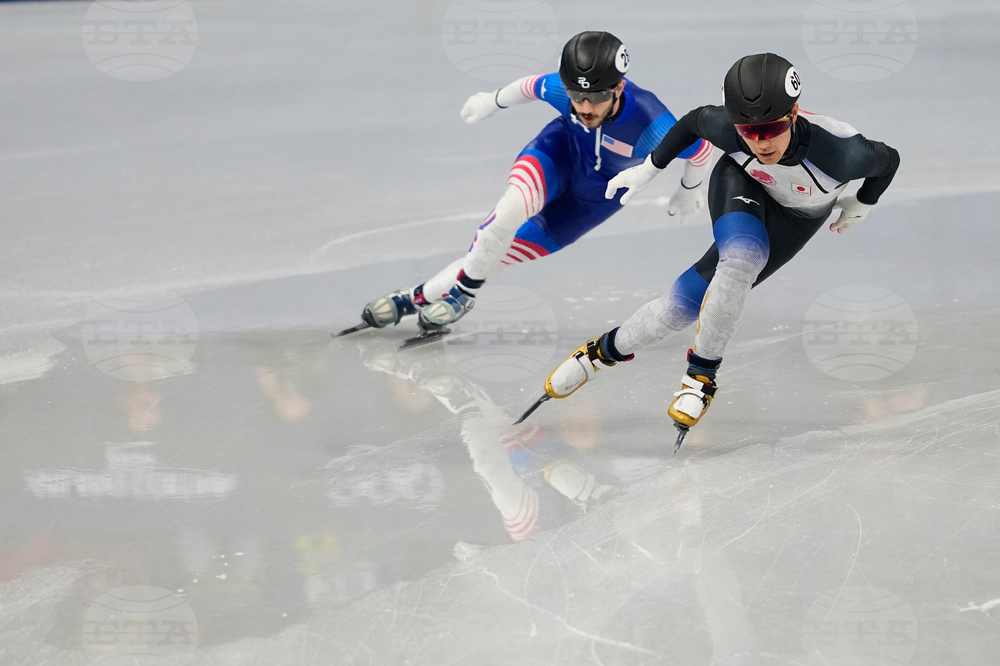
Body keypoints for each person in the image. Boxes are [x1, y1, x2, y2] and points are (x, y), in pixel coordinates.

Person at [536, 53, 900, 444]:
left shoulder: (843, 152)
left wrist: (864, 201)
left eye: (771, 128)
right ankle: (700, 377)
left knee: (678, 309)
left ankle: (598, 353)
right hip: (742, 183)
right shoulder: (730, 131)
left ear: (794, 113)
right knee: (741, 262)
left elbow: (889, 161)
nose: (760, 142)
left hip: (796, 219)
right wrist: (648, 170)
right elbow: (694, 121)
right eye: (747, 130)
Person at [351, 31, 714, 339]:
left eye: (597, 97)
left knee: (494, 259)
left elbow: (700, 150)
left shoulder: (651, 121)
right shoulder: (562, 89)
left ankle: (413, 298)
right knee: (507, 213)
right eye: (576, 96)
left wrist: (689, 189)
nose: (585, 107)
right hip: (560, 152)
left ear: (618, 87)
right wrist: (491, 102)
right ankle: (462, 294)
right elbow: (528, 87)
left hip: (596, 199)